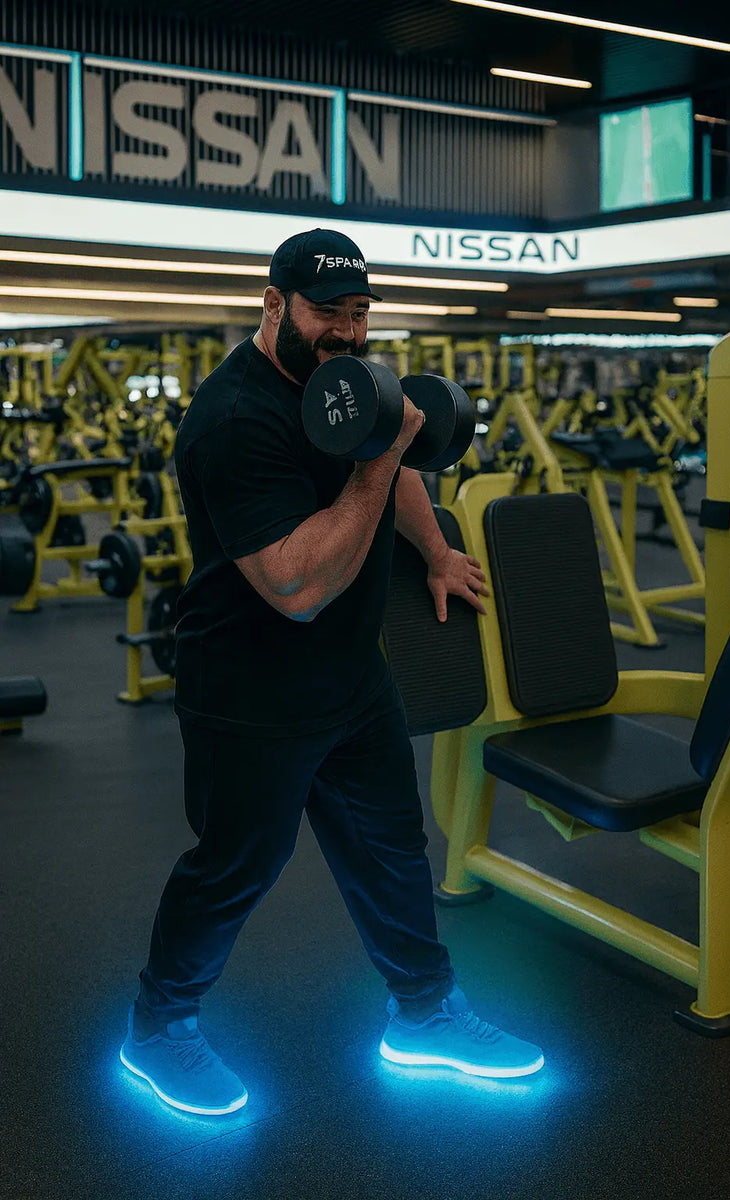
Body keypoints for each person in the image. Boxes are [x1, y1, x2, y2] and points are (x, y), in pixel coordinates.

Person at [120, 227, 545, 1116]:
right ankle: (157, 1029)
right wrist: (383, 456)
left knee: (393, 848)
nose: (348, 333)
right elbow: (297, 587)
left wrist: (435, 551)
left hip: (352, 681)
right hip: (249, 689)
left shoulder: (344, 383)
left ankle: (423, 1012)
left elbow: (398, 467)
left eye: (359, 313)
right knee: (235, 867)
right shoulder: (231, 421)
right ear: (275, 305)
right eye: (328, 312)